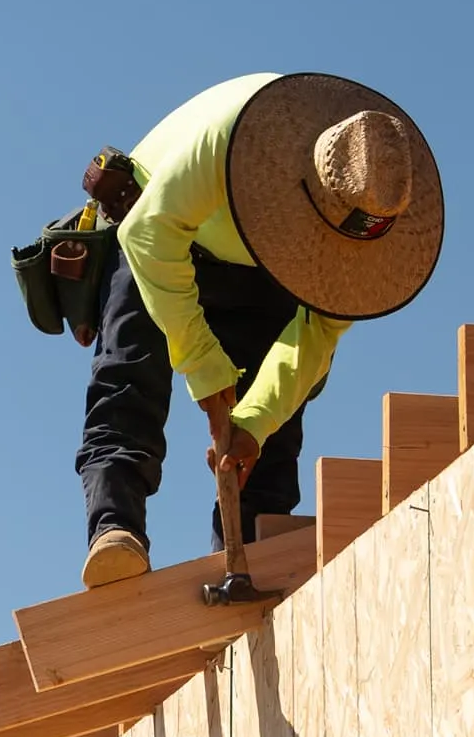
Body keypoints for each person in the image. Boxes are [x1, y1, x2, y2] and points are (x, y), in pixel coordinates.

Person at [74, 72, 444, 588]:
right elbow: (148, 235)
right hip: (158, 231)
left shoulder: (375, 199)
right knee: (131, 381)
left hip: (266, 266)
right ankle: (117, 530)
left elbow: (314, 338)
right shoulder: (235, 138)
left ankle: (251, 553)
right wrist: (203, 363)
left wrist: (254, 422)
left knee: (272, 440)